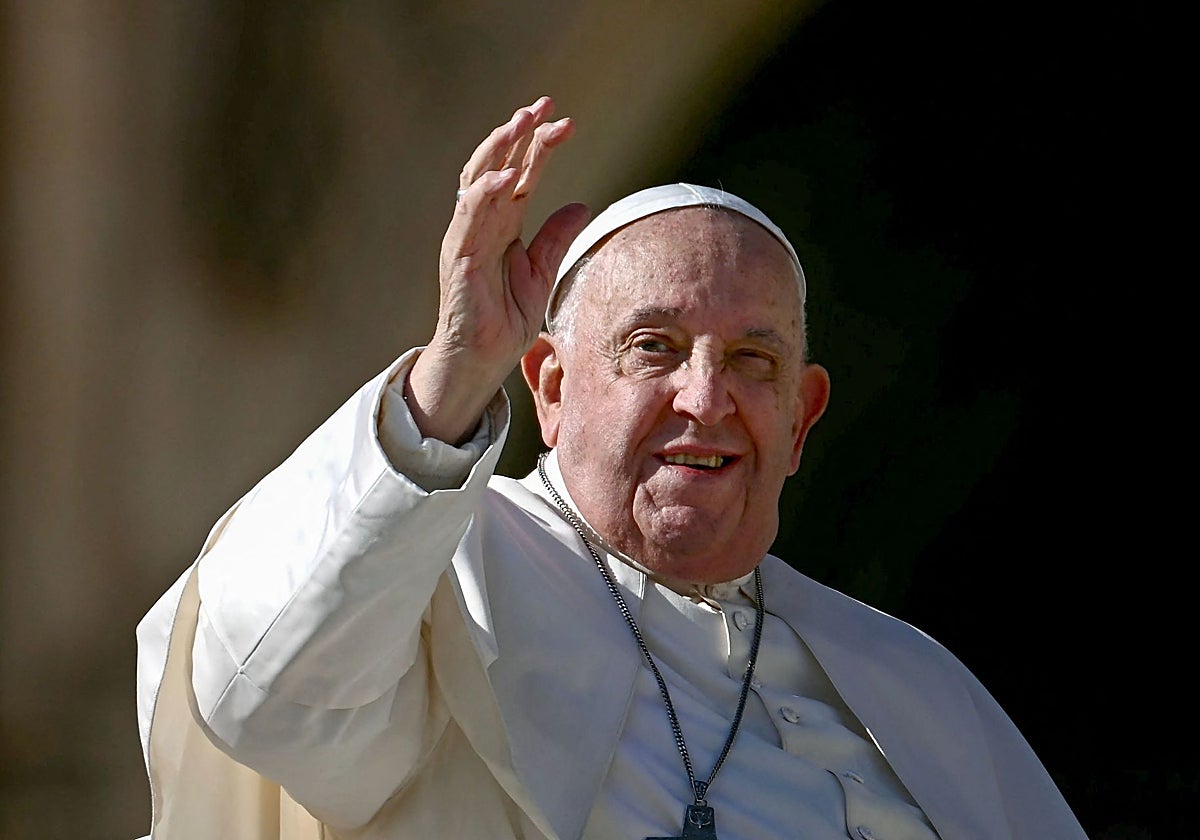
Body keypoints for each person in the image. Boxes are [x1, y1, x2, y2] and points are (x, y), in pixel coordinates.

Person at [134, 96, 1087, 840]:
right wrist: (452, 376)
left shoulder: (914, 686)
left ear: (801, 420)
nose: (705, 398)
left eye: (752, 361)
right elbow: (264, 698)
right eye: (653, 347)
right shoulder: (438, 582)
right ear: (550, 388)